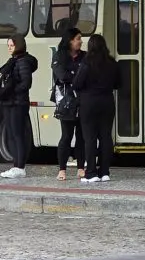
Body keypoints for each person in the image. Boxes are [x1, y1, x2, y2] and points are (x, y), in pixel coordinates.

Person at [72, 34, 120, 184]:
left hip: (89, 103)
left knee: (90, 138)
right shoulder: (112, 62)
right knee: (106, 136)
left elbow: (77, 84)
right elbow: (118, 84)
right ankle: (105, 172)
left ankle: (91, 172)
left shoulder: (86, 63)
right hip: (107, 101)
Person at [0, 34, 37, 180]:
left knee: (17, 135)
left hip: (18, 103)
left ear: (19, 45)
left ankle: (19, 167)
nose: (9, 48)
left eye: (12, 45)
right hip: (10, 102)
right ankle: (16, 165)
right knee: (11, 134)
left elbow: (26, 83)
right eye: (8, 46)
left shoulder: (22, 62)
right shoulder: (14, 60)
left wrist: (11, 90)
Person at [51, 27, 85, 181]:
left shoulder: (84, 56)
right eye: (78, 38)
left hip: (83, 100)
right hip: (66, 102)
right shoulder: (59, 56)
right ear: (70, 40)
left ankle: (81, 167)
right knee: (66, 136)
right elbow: (62, 76)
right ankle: (62, 170)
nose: (80, 41)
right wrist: (77, 75)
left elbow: (88, 74)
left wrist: (73, 75)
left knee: (82, 136)